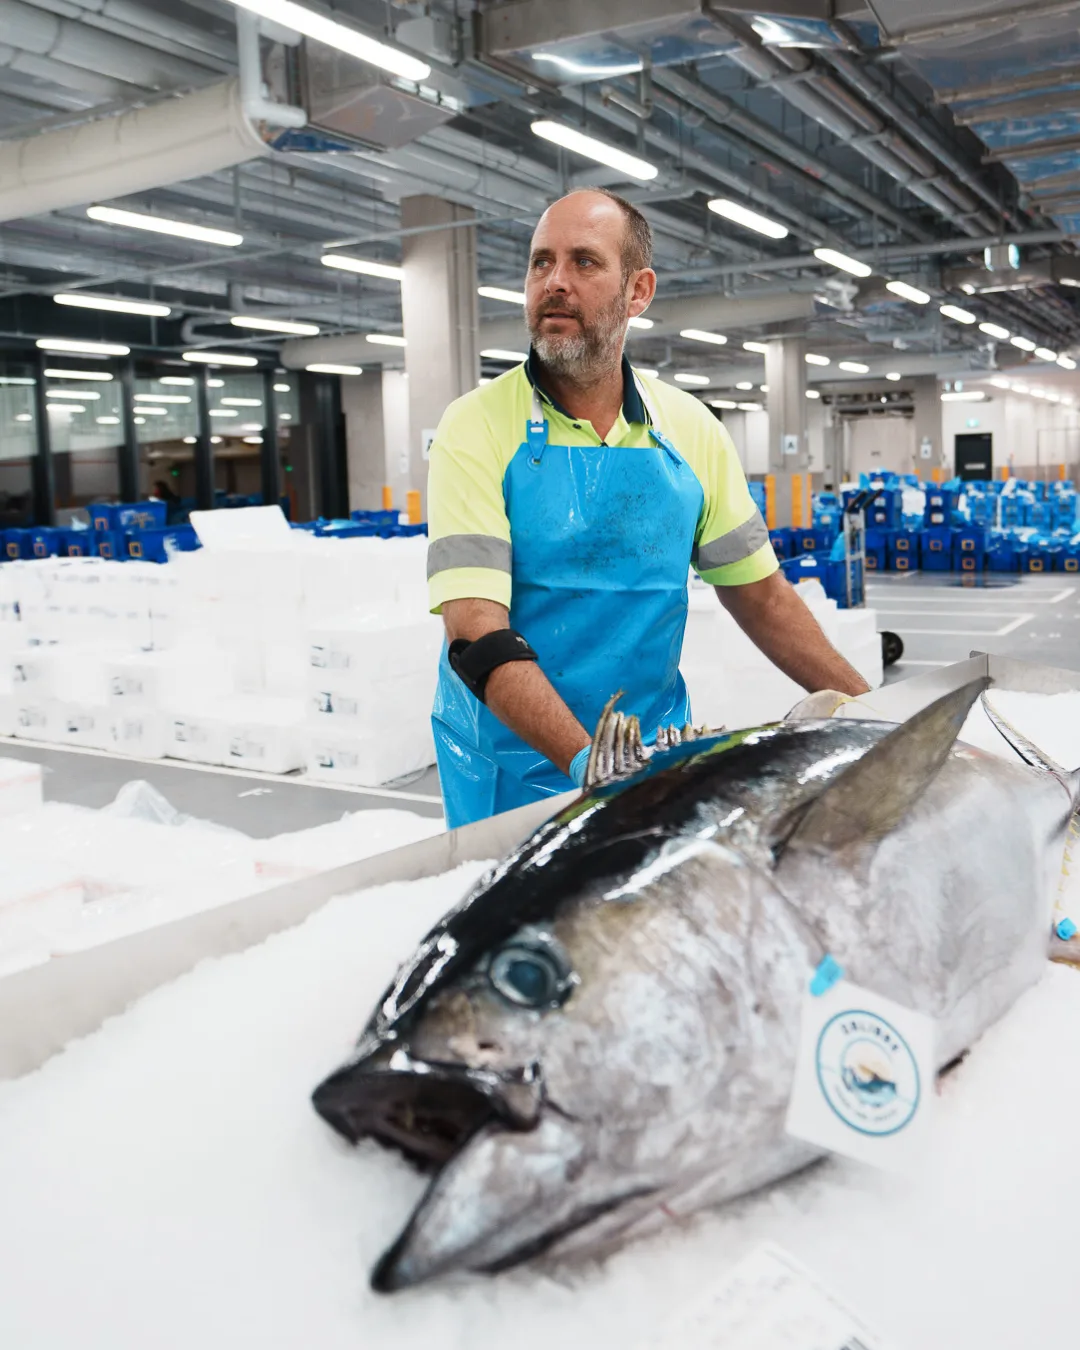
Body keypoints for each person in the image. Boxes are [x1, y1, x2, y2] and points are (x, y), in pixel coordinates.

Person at [426, 187, 869, 829]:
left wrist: (873, 712)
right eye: (540, 262)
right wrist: (590, 769)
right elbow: (474, 628)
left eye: (584, 262)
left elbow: (762, 598)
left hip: (649, 755)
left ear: (639, 292)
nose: (554, 282)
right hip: (509, 765)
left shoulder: (690, 429)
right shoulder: (476, 427)